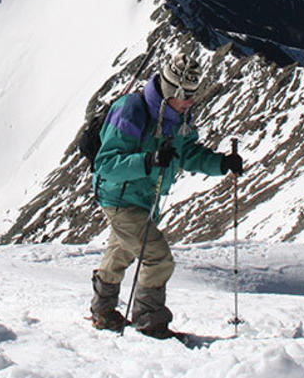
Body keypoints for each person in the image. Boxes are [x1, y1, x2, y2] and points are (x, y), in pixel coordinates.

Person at [88, 53, 244, 337]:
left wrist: (221, 163)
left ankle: (103, 311)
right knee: (157, 257)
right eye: (186, 95)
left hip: (143, 199)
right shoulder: (131, 110)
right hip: (119, 198)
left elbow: (187, 154)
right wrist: (148, 161)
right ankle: (150, 322)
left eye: (193, 95)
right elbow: (106, 164)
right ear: (171, 91)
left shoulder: (178, 118)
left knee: (120, 251)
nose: (191, 101)